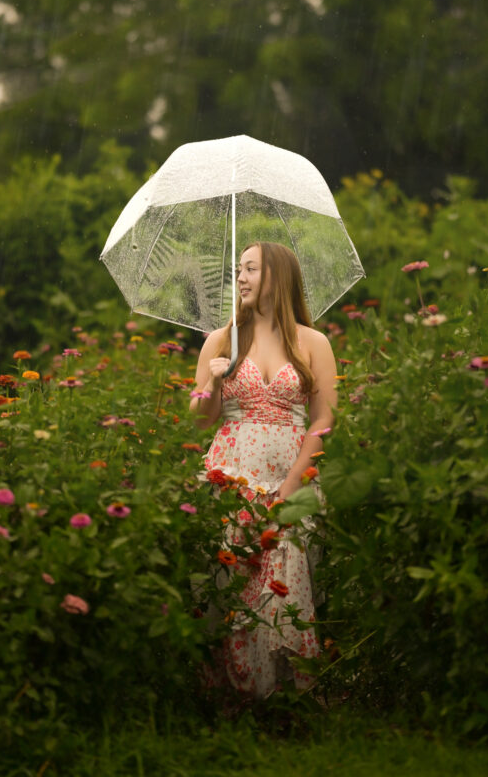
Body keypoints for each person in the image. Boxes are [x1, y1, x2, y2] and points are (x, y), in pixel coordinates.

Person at [190, 241, 337, 698]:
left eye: (251, 269)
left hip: (288, 480)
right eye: (238, 269)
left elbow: (325, 419)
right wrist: (213, 380)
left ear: (278, 276)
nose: (240, 278)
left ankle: (286, 697)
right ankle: (229, 696)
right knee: (229, 581)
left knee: (283, 576)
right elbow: (200, 417)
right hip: (230, 475)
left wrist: (291, 488)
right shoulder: (222, 339)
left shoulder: (314, 343)